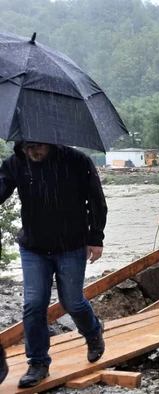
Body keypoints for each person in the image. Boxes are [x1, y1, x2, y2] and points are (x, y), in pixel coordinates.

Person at [0, 142, 108, 388]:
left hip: (71, 246)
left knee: (72, 301)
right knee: (33, 304)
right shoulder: (16, 162)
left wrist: (96, 238)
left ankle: (93, 333)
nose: (32, 152)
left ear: (50, 140)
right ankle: (38, 362)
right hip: (33, 247)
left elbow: (96, 201)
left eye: (37, 147)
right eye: (27, 147)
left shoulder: (77, 161)